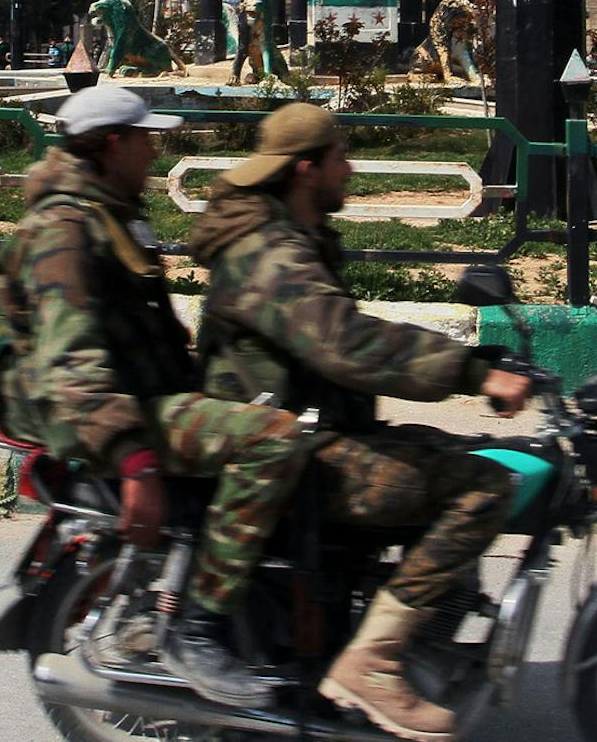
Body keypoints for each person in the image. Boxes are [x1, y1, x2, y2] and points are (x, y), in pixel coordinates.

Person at [188, 103, 530, 742]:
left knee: (460, 455)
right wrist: (472, 373)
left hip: (314, 431)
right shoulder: (264, 251)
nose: (351, 168)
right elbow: (344, 342)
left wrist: (480, 364)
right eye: (341, 157)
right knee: (482, 488)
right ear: (306, 168)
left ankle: (412, 635)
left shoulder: (295, 236)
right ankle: (369, 663)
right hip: (289, 449)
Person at [0, 84, 308, 709]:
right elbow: (72, 362)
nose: (153, 150)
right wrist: (134, 457)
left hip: (138, 393)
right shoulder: (65, 229)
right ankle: (197, 627)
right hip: (98, 410)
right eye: (145, 138)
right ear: (113, 145)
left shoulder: (109, 209)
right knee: (271, 443)